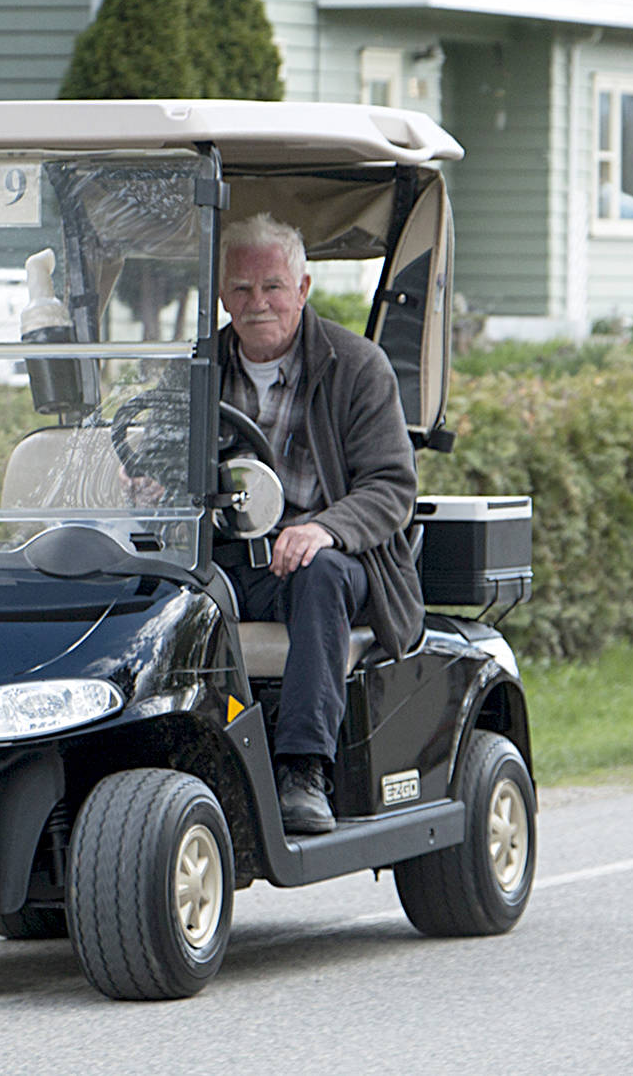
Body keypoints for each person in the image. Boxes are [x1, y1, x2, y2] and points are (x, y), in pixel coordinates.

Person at [216, 213, 421, 834]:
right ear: (223, 295)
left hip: (337, 562)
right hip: (228, 556)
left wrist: (325, 528)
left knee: (319, 569)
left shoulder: (358, 367)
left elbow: (392, 486)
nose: (258, 304)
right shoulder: (197, 371)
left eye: (273, 287)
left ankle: (304, 770)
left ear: (302, 289)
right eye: (243, 290)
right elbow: (154, 456)